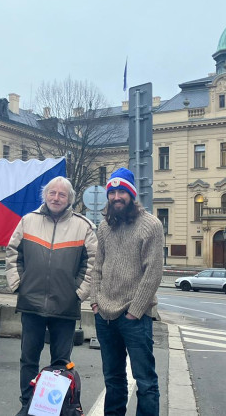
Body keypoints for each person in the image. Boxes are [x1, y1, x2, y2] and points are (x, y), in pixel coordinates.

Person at [5, 176, 97, 415]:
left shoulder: (83, 226)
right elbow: (13, 252)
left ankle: (54, 410)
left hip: (65, 306)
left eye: (62, 194)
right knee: (28, 360)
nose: (56, 198)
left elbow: (93, 263)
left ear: (70, 199)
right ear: (45, 195)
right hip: (31, 304)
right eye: (52, 193)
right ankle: (27, 406)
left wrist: (79, 292)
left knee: (61, 364)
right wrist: (18, 284)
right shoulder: (28, 221)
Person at [90, 167, 162, 415]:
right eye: (112, 192)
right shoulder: (104, 227)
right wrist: (95, 302)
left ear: (131, 194)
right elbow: (96, 266)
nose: (116, 197)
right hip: (105, 316)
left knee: (146, 382)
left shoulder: (151, 225)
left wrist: (135, 311)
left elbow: (153, 272)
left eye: (122, 191)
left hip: (135, 317)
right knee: (113, 379)